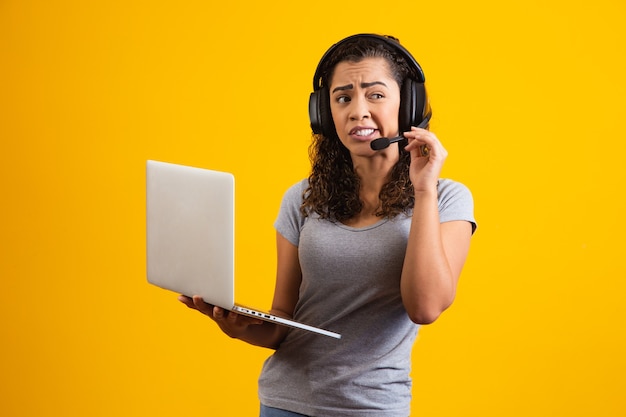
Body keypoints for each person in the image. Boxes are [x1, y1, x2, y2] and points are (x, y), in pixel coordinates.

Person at [179, 33, 476, 417]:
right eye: (342, 97)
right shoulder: (302, 198)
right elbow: (282, 321)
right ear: (324, 113)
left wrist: (423, 190)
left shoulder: (446, 198)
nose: (357, 110)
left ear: (409, 105)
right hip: (283, 402)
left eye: (375, 94)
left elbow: (425, 306)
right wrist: (239, 326)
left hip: (371, 407)